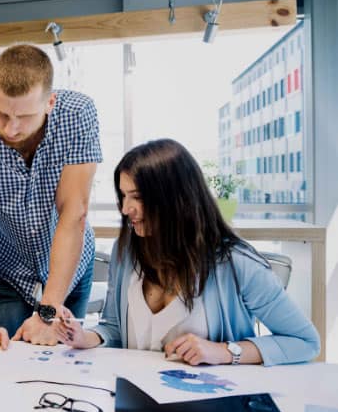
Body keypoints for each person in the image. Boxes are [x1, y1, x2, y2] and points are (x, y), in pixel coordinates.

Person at [57, 139, 320, 366]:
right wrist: (85, 337)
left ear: (175, 199)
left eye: (137, 197)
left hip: (209, 407)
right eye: (123, 196)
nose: (126, 209)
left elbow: (304, 342)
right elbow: (114, 327)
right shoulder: (125, 252)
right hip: (134, 400)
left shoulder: (237, 264)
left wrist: (224, 352)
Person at [0, 44, 102, 352]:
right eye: (1, 113)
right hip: (8, 273)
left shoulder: (78, 115)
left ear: (50, 102)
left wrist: (48, 313)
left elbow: (74, 213)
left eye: (25, 116)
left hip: (68, 270)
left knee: (63, 364)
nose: (11, 128)